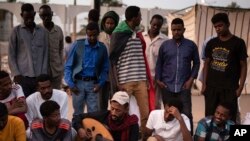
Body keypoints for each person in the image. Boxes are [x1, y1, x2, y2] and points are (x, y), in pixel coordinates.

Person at [109, 6, 153, 138]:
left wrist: (146, 79)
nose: (140, 18)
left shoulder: (138, 34)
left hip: (140, 81)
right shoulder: (118, 34)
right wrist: (117, 83)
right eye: (139, 16)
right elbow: (112, 61)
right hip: (125, 82)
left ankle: (145, 138)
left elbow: (141, 58)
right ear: (134, 18)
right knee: (119, 113)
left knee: (145, 114)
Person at [155, 18, 200, 134]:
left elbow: (197, 63)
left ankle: (188, 137)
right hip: (167, 87)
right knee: (169, 114)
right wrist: (158, 80)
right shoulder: (165, 45)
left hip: (183, 87)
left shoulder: (191, 46)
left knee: (186, 114)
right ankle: (169, 136)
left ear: (184, 29)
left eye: (179, 30)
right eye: (174, 30)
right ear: (171, 30)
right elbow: (159, 63)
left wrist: (191, 80)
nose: (176, 32)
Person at [201, 13, 248, 122]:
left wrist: (240, 87)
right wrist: (204, 84)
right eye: (216, 27)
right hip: (211, 87)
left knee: (229, 118)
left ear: (228, 24)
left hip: (229, 88)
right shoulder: (211, 43)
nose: (218, 29)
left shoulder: (238, 43)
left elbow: (243, 65)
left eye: (220, 26)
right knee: (210, 117)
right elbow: (206, 64)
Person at [64, 22, 109, 115]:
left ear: (98, 33)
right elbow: (68, 65)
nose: (92, 38)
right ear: (86, 34)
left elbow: (105, 68)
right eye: (89, 35)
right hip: (78, 84)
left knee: (93, 113)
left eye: (94, 35)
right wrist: (71, 84)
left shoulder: (102, 48)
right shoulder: (78, 45)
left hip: (93, 84)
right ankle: (77, 129)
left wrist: (100, 84)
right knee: (78, 113)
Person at [8, 3, 48, 97]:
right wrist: (16, 74)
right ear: (22, 15)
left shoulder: (42, 32)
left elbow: (45, 54)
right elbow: (11, 54)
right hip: (23, 78)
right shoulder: (16, 31)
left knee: (38, 104)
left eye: (31, 17)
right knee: (25, 104)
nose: (29, 20)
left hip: (39, 78)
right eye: (26, 18)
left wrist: (43, 75)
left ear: (34, 14)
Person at [72, 91, 139, 141]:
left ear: (126, 109)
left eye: (118, 110)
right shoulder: (104, 115)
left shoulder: (132, 125)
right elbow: (77, 117)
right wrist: (80, 129)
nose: (113, 112)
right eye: (112, 108)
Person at [142, 14, 168, 109]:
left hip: (157, 78)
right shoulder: (141, 37)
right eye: (154, 25)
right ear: (150, 23)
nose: (155, 27)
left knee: (156, 104)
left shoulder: (165, 40)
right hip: (142, 78)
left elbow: (166, 60)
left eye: (158, 25)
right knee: (143, 104)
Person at [39, 5, 64, 89]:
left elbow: (61, 49)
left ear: (52, 14)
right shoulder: (37, 30)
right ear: (40, 16)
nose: (46, 18)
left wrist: (61, 66)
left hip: (56, 71)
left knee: (56, 95)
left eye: (48, 15)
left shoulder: (59, 30)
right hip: (42, 72)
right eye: (43, 16)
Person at [99, 10, 120, 111]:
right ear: (104, 23)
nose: (109, 26)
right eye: (107, 23)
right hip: (102, 73)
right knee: (101, 101)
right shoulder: (99, 36)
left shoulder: (119, 36)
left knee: (115, 100)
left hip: (115, 73)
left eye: (112, 23)